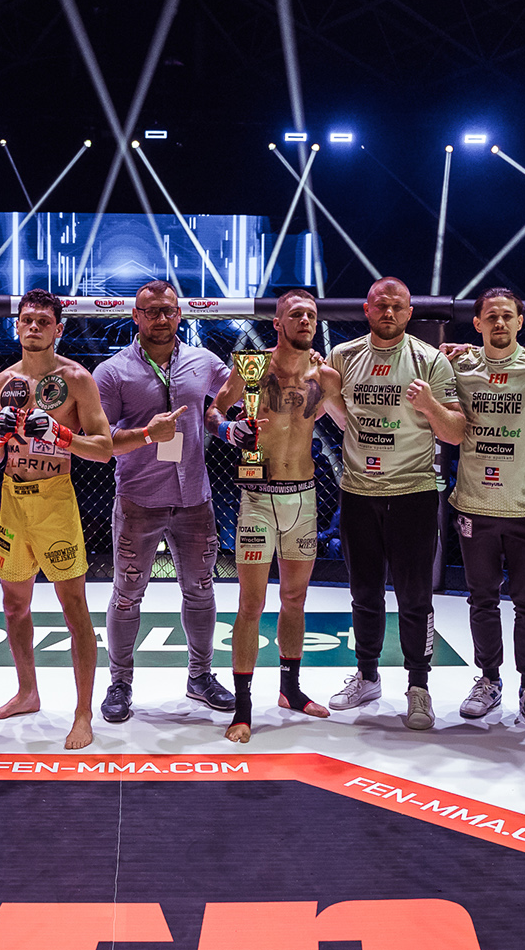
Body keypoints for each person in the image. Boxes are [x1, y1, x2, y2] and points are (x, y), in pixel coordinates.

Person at [92, 280, 236, 723]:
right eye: (151, 311)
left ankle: (200, 677)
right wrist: (146, 434)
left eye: (168, 310)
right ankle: (120, 683)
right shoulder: (112, 372)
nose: (160, 318)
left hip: (195, 498)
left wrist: (277, 364)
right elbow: (100, 442)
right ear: (135, 316)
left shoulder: (202, 361)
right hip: (139, 499)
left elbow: (233, 394)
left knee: (201, 590)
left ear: (180, 314)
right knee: (126, 595)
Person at [326, 277, 464, 730]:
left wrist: (430, 406)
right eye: (381, 306)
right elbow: (334, 411)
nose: (389, 313)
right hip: (359, 492)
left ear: (409, 313)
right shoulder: (343, 356)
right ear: (367, 309)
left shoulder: (429, 360)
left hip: (412, 494)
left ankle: (418, 686)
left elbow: (454, 432)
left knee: (415, 597)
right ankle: (367, 676)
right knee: (364, 592)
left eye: (397, 307)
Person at [208, 289, 345, 743]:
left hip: (303, 498)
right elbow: (213, 412)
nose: (305, 320)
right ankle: (243, 707)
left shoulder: (325, 375)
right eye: (296, 314)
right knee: (251, 604)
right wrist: (229, 429)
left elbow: (347, 422)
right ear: (278, 323)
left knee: (294, 599)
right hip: (257, 499)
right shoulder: (252, 367)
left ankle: (291, 690)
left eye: (311, 315)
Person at [0, 289, 113, 749]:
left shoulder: (77, 379)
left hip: (55, 501)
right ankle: (27, 693)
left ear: (59, 328)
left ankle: (83, 714)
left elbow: (104, 450)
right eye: (27, 319)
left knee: (74, 608)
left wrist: (60, 435)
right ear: (17, 325)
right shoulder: (0, 384)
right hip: (13, 500)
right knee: (13, 605)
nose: (33, 327)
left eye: (42, 321)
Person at [446, 287, 525, 732]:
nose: (499, 322)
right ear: (477, 323)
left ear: (520, 321)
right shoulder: (459, 367)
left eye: (507, 315)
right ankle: (489, 680)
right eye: (491, 316)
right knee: (482, 599)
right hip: (475, 503)